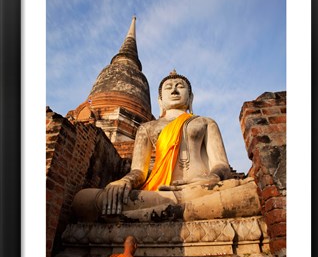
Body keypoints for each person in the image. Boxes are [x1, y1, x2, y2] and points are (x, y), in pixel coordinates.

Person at [73, 70, 261, 222]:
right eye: (168, 88)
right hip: (158, 193)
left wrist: (212, 178)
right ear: (160, 101)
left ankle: (147, 216)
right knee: (84, 200)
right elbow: (139, 171)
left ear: (191, 97)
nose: (174, 91)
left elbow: (221, 165)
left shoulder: (205, 122)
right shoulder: (147, 127)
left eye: (180, 87)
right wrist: (125, 181)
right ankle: (175, 210)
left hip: (203, 190)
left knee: (252, 192)